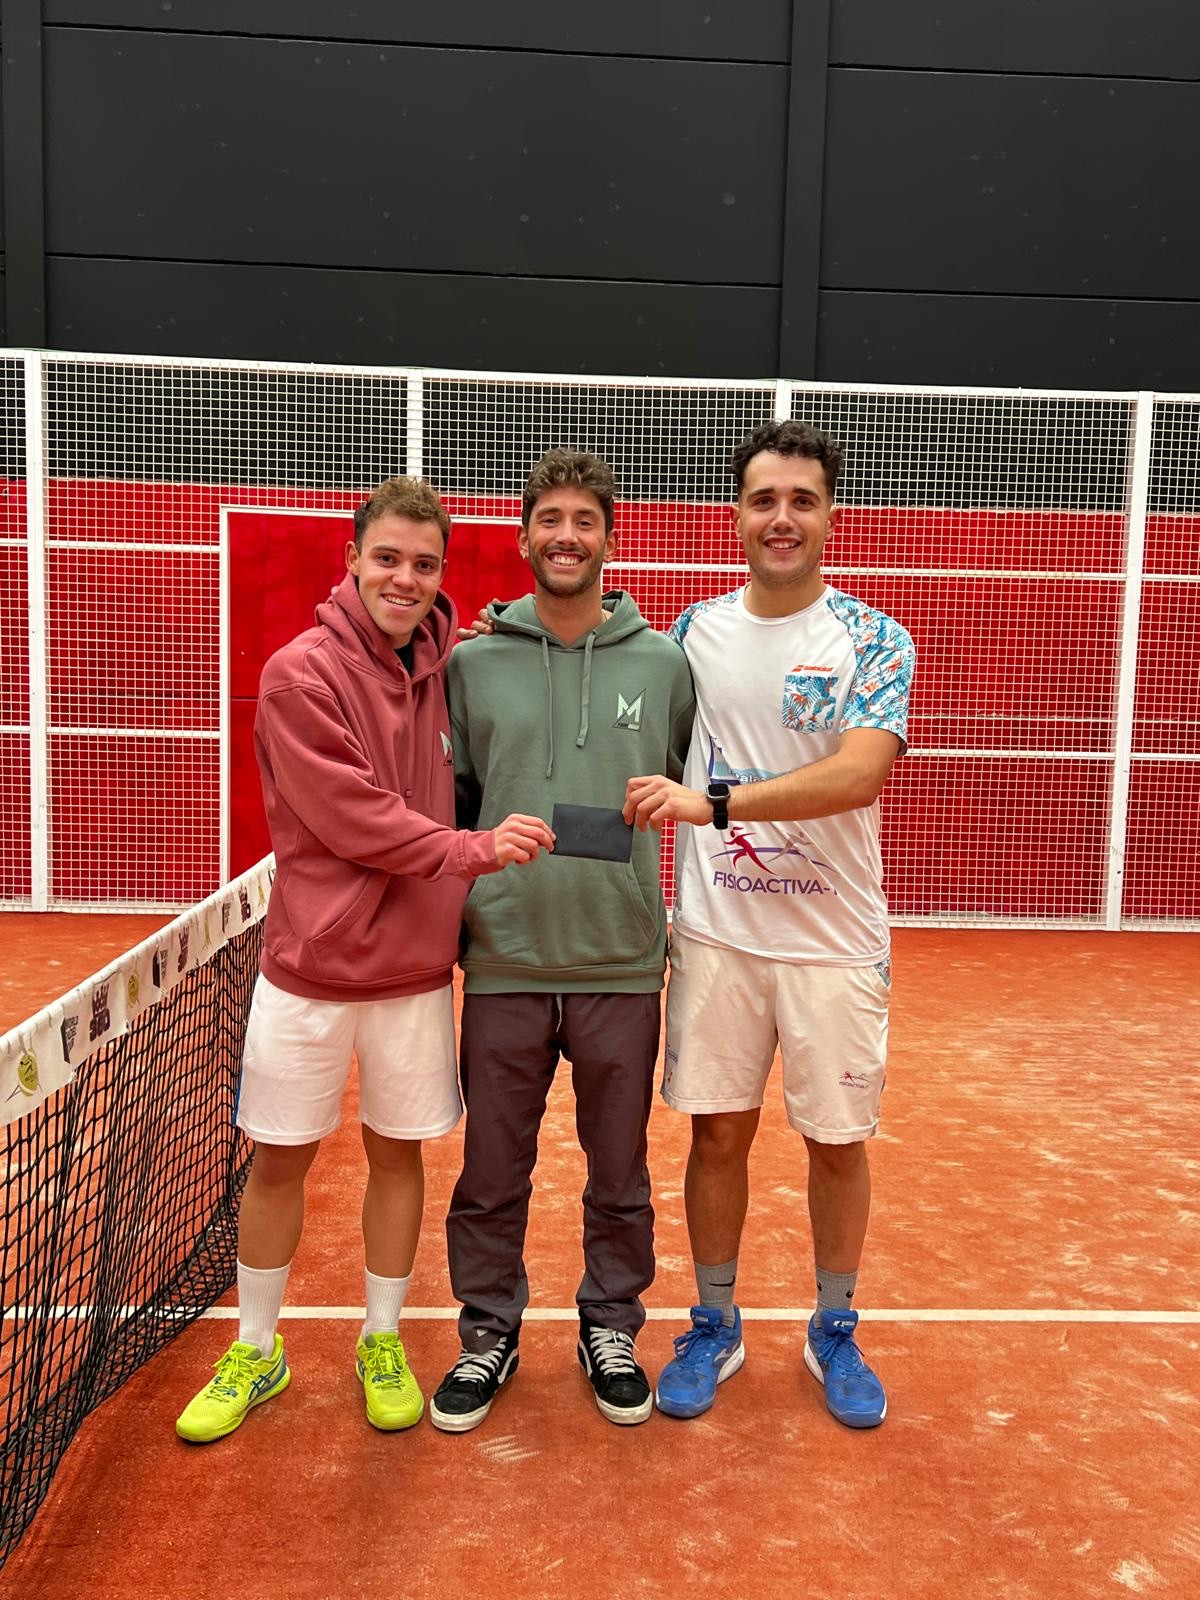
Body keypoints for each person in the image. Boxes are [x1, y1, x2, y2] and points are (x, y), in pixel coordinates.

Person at [176, 476, 553, 1443]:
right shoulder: (298, 674)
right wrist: (473, 850)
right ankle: (255, 1350)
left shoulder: (444, 665)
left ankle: (380, 1338)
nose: (404, 579)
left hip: (414, 974)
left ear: (441, 575)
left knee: (398, 1155)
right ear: (352, 560)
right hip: (309, 971)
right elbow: (354, 817)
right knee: (280, 1161)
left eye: (424, 564)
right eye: (387, 558)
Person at [623, 420, 914, 1430]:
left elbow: (859, 773)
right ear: (737, 515)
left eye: (801, 500)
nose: (781, 517)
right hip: (719, 938)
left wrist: (716, 804)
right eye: (763, 500)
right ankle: (715, 1321)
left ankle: (834, 1327)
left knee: (836, 1142)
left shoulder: (873, 638)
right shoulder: (692, 633)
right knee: (717, 1134)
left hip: (835, 944)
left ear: (831, 516)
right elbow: (614, 693)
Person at [431, 449, 695, 1432]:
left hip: (620, 963)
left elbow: (677, 779)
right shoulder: (472, 663)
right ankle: (487, 1333)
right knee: (490, 1173)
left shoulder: (664, 664)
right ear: (524, 537)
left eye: (585, 520)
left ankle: (610, 1328)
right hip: (503, 960)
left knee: (618, 1172)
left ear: (610, 539)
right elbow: (458, 805)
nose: (567, 536)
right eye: (550, 520)